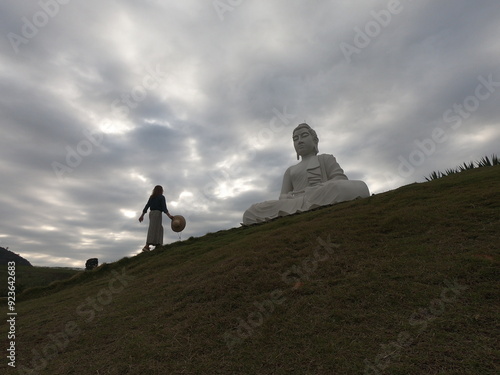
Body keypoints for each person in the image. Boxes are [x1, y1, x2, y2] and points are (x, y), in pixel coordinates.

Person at [242, 123, 370, 225]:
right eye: (295, 139)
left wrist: (317, 189)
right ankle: (306, 205)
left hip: (320, 194)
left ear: (314, 140)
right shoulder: (290, 170)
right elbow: (282, 196)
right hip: (294, 203)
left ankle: (311, 202)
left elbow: (340, 180)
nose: (299, 141)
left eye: (304, 136)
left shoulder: (325, 158)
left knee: (340, 188)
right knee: (251, 212)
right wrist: (287, 198)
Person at [139, 185, 174, 251]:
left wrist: (142, 215)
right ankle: (147, 246)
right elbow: (164, 208)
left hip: (151, 214)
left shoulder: (152, 197)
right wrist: (169, 216)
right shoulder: (161, 197)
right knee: (153, 229)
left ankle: (158, 244)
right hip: (157, 213)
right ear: (161, 190)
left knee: (158, 228)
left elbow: (146, 206)